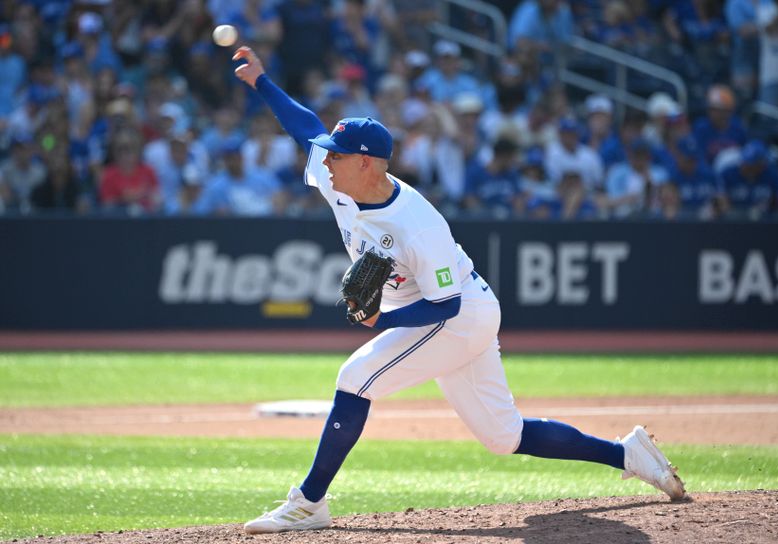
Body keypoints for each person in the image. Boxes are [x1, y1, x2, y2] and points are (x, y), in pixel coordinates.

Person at [232, 45, 686, 535]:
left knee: (355, 376)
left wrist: (379, 321)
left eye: (339, 155)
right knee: (504, 436)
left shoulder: (417, 224)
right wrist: (261, 81)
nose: (327, 159)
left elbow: (444, 304)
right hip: (452, 312)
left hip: (456, 317)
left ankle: (308, 503)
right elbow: (305, 127)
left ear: (367, 164)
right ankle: (627, 452)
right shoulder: (335, 174)